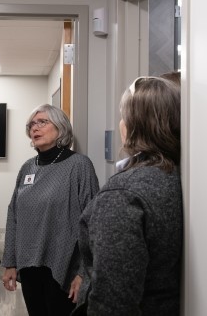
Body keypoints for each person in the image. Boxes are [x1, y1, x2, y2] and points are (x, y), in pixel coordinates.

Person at [77, 76, 183, 315]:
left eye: (123, 116)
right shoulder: (177, 178)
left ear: (131, 126)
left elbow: (113, 302)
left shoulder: (122, 194)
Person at [1, 103, 99, 316]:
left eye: (42, 122)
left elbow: (93, 223)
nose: (34, 128)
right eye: (31, 124)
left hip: (65, 267)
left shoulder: (80, 166)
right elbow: (13, 214)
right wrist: (10, 262)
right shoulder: (28, 167)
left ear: (61, 127)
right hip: (29, 267)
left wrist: (84, 273)